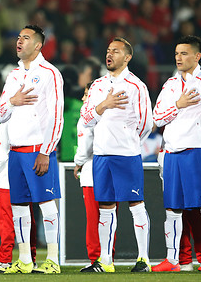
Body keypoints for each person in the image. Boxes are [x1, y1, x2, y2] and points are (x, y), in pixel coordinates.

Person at [77, 38, 153, 273]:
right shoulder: (98, 85)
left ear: (127, 57)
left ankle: (143, 259)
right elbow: (86, 117)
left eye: (116, 51)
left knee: (136, 204)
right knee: (106, 208)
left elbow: (146, 123)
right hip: (101, 155)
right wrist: (104, 105)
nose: (109, 54)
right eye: (108, 50)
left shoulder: (136, 86)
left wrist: (127, 142)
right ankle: (105, 261)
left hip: (126, 154)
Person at [152, 35, 201, 273]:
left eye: (184, 53)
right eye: (176, 54)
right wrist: (178, 105)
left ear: (197, 56)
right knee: (172, 209)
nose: (178, 58)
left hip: (197, 150)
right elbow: (157, 117)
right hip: (172, 152)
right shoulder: (170, 85)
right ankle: (172, 260)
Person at [0, 25, 64, 274]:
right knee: (19, 207)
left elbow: (57, 115)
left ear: (38, 45)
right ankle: (25, 260)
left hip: (38, 150)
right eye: (18, 37)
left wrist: (46, 150)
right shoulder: (13, 75)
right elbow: (0, 114)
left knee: (47, 204)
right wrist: (12, 101)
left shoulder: (50, 73)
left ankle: (53, 260)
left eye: (26, 38)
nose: (19, 41)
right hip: (15, 150)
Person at [0, 122, 37, 273]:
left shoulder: (5, 125)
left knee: (6, 221)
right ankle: (30, 259)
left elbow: (0, 154)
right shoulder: (31, 121)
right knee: (28, 220)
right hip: (26, 177)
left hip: (7, 178)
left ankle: (5, 260)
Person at [73, 82, 101, 270]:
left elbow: (85, 145)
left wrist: (78, 162)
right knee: (107, 217)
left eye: (86, 94)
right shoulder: (107, 114)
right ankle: (106, 257)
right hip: (108, 170)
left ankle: (96, 259)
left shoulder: (86, 116)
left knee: (93, 219)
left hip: (91, 171)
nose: (83, 99)